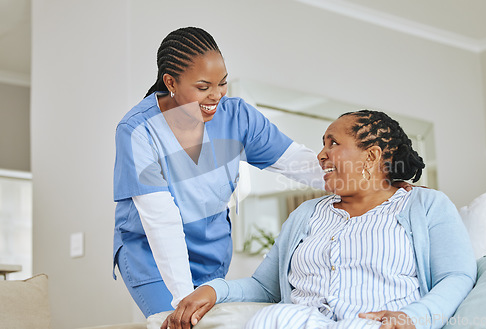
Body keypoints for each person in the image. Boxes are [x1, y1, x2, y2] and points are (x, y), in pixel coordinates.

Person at [164, 110, 477, 329]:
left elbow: (457, 275)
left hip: (373, 323)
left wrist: (416, 317)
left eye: (333, 143)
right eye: (323, 144)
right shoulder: (306, 214)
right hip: (299, 322)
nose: (321, 154)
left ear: (371, 157)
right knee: (272, 320)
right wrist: (214, 290)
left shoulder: (426, 205)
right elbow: (265, 286)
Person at [113, 27, 326, 318]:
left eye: (222, 83)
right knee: (177, 320)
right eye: (203, 87)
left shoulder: (238, 116)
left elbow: (299, 163)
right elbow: (160, 220)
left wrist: (369, 180)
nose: (216, 95)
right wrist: (183, 298)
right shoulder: (138, 130)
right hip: (151, 256)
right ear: (170, 81)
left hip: (212, 253)